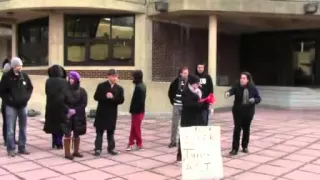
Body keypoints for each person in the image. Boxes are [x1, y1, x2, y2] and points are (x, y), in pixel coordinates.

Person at [0, 57, 33, 157]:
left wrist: (26, 98)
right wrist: (10, 100)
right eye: (18, 66)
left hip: (23, 106)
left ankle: (22, 147)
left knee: (23, 128)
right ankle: (11, 148)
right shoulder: (6, 77)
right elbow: (2, 92)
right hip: (11, 106)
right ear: (13, 66)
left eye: (21, 66)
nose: (20, 67)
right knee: (10, 129)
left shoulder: (25, 76)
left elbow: (30, 88)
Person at [225, 72, 261, 156]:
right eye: (241, 78)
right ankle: (234, 148)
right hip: (237, 111)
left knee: (246, 129)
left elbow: (258, 98)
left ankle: (245, 146)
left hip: (248, 112)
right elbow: (232, 90)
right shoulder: (237, 85)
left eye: (244, 78)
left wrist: (254, 100)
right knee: (237, 129)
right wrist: (228, 93)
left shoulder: (252, 87)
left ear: (248, 79)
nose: (242, 79)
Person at [93, 69, 125, 156]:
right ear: (108, 76)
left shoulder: (119, 88)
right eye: (113, 76)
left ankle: (111, 148)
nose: (115, 78)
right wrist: (105, 96)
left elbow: (121, 100)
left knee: (110, 133)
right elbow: (96, 97)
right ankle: (98, 149)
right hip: (102, 112)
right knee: (99, 132)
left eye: (116, 76)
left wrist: (113, 98)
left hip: (112, 113)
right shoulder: (101, 86)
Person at [177, 74, 206, 162]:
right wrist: (199, 103)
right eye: (196, 83)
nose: (198, 85)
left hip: (197, 117)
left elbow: (201, 101)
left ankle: (194, 155)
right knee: (184, 136)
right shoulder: (185, 91)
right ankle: (180, 155)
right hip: (188, 118)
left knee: (196, 136)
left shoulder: (199, 91)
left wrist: (206, 102)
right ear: (192, 83)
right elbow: (186, 104)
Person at [63, 71, 87, 160]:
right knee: (67, 133)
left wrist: (75, 110)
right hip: (68, 115)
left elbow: (84, 103)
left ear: (77, 80)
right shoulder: (64, 90)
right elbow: (62, 102)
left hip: (78, 115)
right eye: (69, 78)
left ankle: (76, 151)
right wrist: (68, 110)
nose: (70, 80)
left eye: (72, 78)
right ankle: (67, 153)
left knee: (77, 133)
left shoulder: (82, 91)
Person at [43, 65, 68, 149]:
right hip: (61, 105)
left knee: (53, 124)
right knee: (61, 125)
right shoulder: (65, 81)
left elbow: (47, 92)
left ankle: (54, 142)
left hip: (51, 105)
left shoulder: (48, 81)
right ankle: (59, 142)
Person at [167, 67, 189, 148]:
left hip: (185, 106)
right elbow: (170, 92)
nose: (186, 74)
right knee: (175, 124)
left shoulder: (189, 82)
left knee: (185, 124)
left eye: (187, 73)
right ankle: (173, 141)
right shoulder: (175, 81)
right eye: (185, 73)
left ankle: (184, 141)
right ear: (181, 73)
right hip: (177, 105)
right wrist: (173, 101)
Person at [126, 70, 146, 151]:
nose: (132, 78)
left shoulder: (139, 87)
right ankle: (131, 143)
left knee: (136, 128)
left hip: (137, 111)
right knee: (134, 127)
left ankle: (139, 143)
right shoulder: (141, 85)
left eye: (133, 76)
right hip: (139, 110)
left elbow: (139, 101)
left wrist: (134, 110)